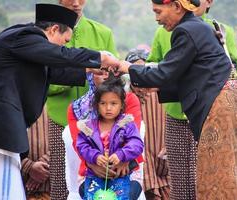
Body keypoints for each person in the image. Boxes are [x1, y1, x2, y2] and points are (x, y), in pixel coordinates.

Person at [112, 0, 237, 199]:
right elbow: (186, 77)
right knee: (232, 171)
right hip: (231, 106)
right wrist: (151, 83)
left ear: (177, 6)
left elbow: (164, 74)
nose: (156, 18)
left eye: (158, 11)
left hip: (218, 109)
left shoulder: (185, 31)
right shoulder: (200, 27)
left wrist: (126, 67)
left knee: (217, 175)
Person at [0, 3, 119, 199]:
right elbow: (59, 56)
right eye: (64, 40)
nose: (64, 46)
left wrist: (89, 72)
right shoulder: (23, 37)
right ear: (53, 30)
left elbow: (54, 72)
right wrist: (99, 57)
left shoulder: (29, 48)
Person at [146, 0, 237, 198]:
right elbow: (154, 65)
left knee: (213, 175)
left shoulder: (220, 30)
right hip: (177, 113)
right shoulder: (164, 30)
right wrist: (143, 72)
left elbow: (234, 69)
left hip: (209, 112)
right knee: (181, 179)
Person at [46, 1, 119, 199]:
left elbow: (115, 81)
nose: (76, 3)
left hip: (99, 126)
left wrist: (103, 81)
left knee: (98, 184)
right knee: (63, 184)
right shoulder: (48, 36)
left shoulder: (103, 33)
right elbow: (45, 82)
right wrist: (80, 75)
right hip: (60, 120)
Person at [65, 71, 145, 200]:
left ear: (121, 105)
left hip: (125, 173)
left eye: (113, 104)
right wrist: (94, 158)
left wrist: (122, 156)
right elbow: (81, 145)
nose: (108, 108)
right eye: (103, 103)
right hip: (93, 175)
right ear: (96, 105)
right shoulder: (88, 126)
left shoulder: (126, 123)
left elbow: (136, 143)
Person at [125, 48, 170, 200]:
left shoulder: (164, 95)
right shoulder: (122, 98)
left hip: (162, 164)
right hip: (138, 168)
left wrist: (170, 145)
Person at [21, 106, 50, 200]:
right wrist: (28, 166)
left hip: (54, 187)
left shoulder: (59, 98)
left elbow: (70, 137)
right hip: (20, 187)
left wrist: (46, 163)